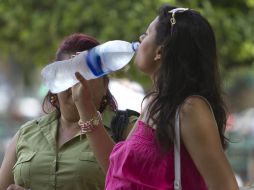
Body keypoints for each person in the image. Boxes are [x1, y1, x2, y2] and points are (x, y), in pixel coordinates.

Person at [70, 5, 240, 190]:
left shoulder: (190, 109)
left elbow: (225, 186)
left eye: (146, 33)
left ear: (160, 51)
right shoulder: (155, 103)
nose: (140, 39)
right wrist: (84, 106)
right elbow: (118, 170)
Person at [0, 33, 139, 190]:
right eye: (66, 74)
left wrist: (86, 108)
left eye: (86, 73)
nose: (76, 82)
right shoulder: (27, 133)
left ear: (105, 84)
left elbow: (133, 182)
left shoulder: (129, 128)